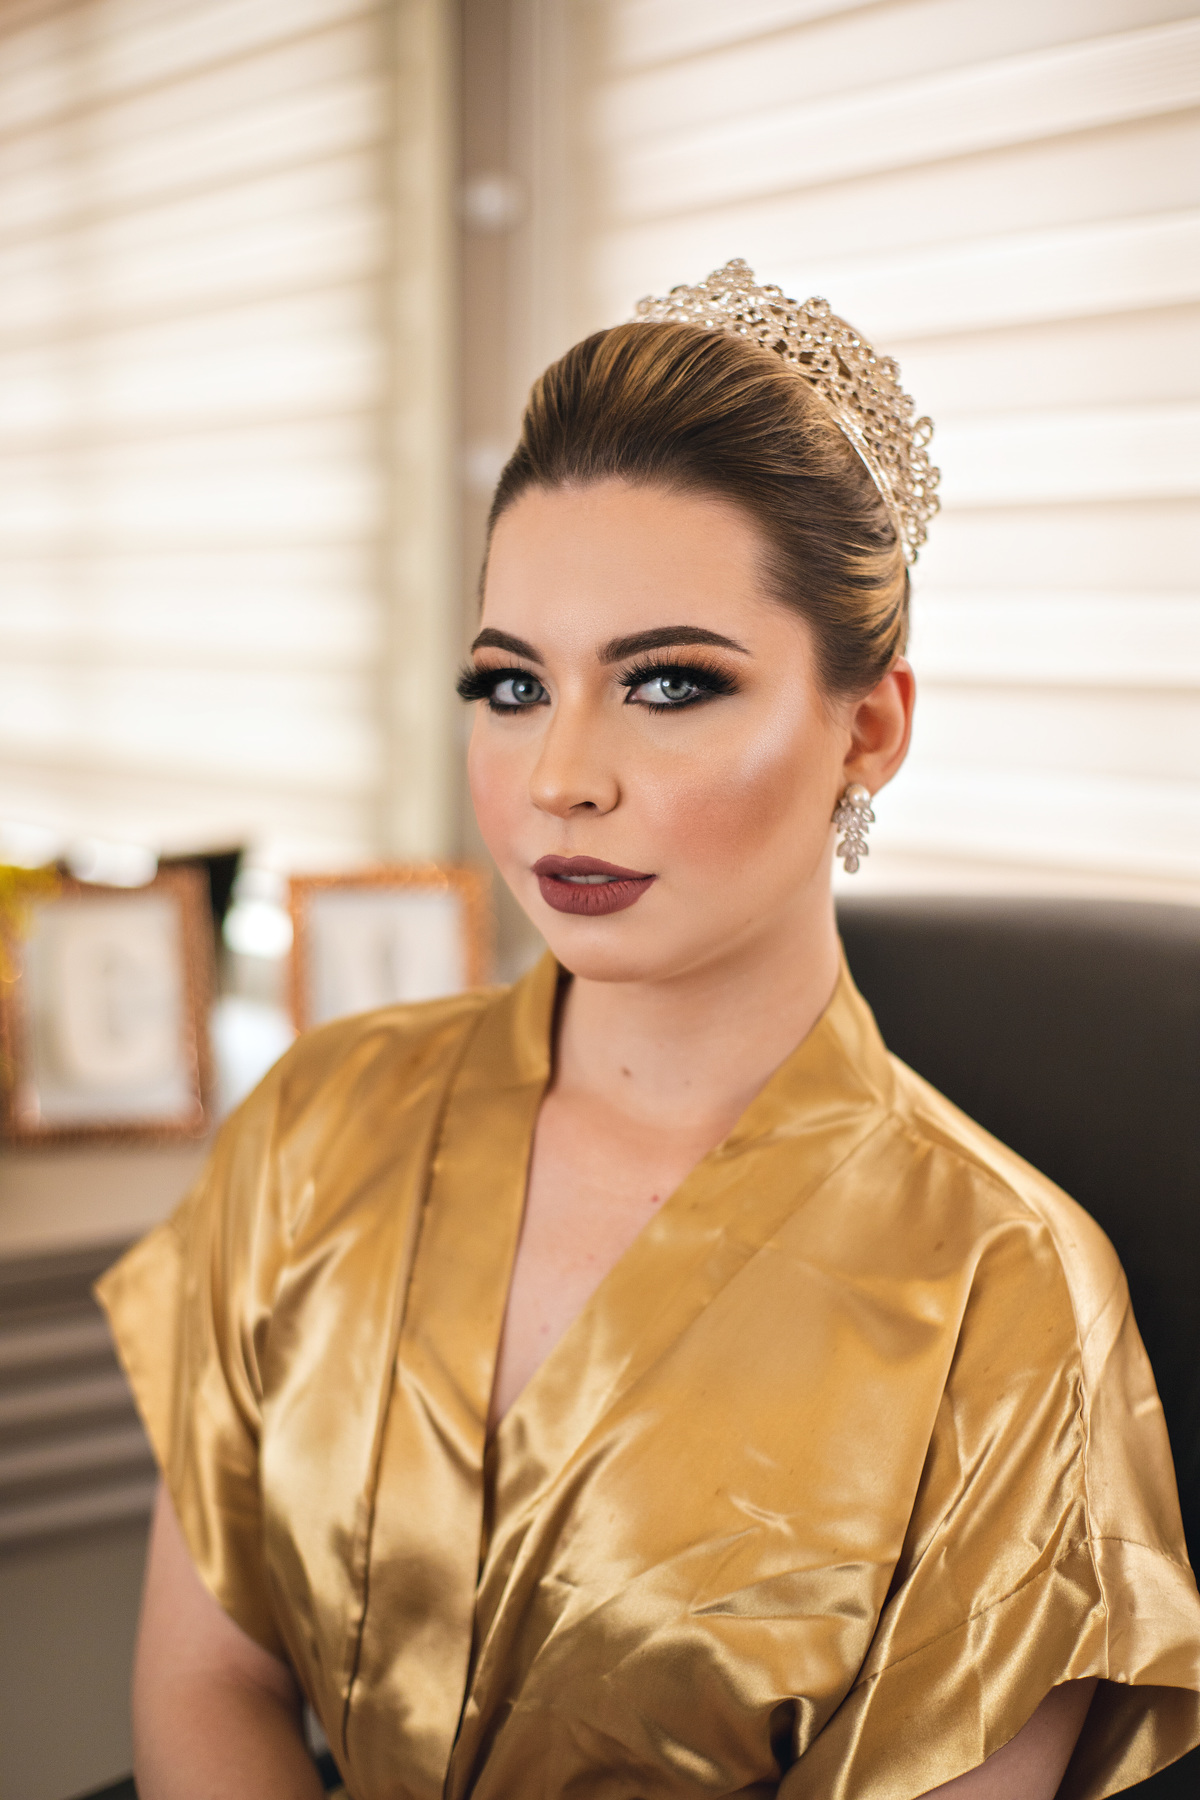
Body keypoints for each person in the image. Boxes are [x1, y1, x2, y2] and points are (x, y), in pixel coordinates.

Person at [99, 263, 1200, 1800]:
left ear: (869, 726)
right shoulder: (318, 1115)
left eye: (668, 683)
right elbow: (209, 1677)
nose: (561, 777)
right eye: (511, 685)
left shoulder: (1009, 1301)